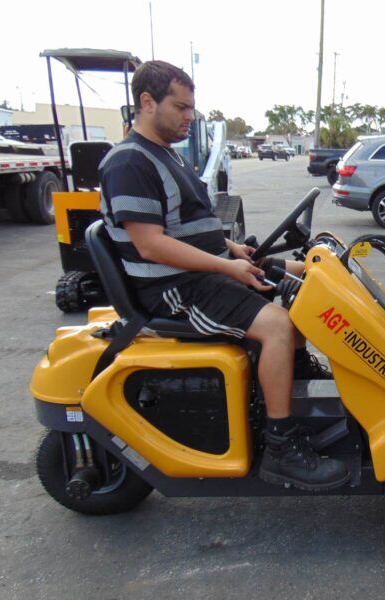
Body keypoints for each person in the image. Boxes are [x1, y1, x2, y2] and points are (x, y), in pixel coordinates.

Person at [98, 60, 348, 491]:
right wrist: (227, 266)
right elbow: (151, 245)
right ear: (146, 102)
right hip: (172, 287)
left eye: (191, 108)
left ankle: (298, 381)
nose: (189, 118)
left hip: (201, 271)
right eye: (180, 107)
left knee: (312, 277)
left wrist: (233, 249)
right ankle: (281, 446)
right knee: (279, 326)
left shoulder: (164, 155)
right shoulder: (128, 163)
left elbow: (189, 225)